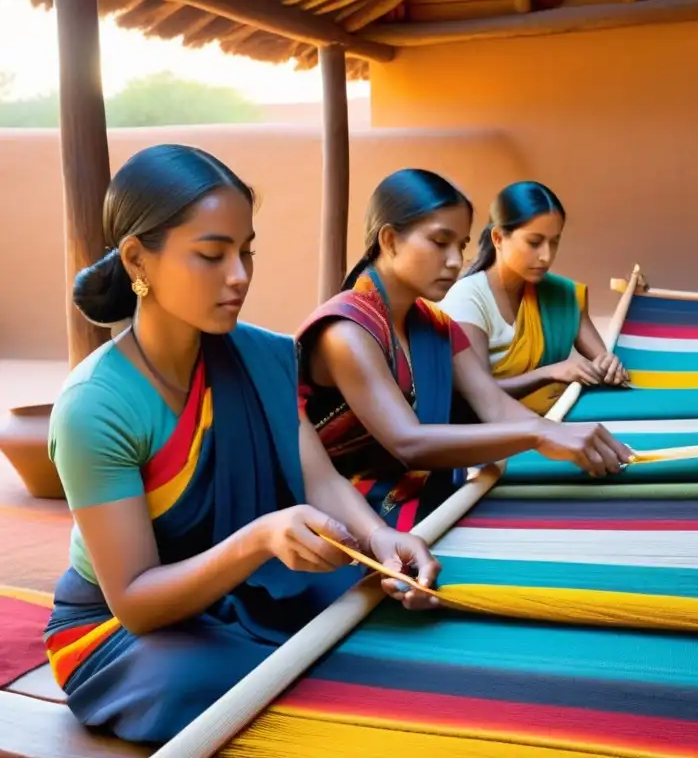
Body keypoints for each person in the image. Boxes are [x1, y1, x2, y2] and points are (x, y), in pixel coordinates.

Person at [43, 145, 439, 745]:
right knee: (234, 688)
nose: (240, 275)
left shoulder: (259, 356)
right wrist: (259, 540)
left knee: (371, 613)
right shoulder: (97, 405)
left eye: (246, 250)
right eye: (211, 254)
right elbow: (135, 602)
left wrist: (380, 539)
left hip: (245, 587)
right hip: (124, 628)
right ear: (136, 259)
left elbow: (319, 477)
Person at [296, 169, 632, 532]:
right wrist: (539, 434)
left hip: (424, 498)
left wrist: (563, 434)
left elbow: (493, 404)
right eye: (440, 242)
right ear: (390, 240)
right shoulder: (346, 331)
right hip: (341, 516)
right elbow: (408, 442)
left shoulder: (436, 325)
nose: (456, 261)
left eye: (461, 244)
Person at [438, 180, 629, 416]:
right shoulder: (468, 299)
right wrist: (549, 373)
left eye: (554, 242)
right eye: (534, 243)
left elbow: (603, 362)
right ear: (498, 238)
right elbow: (476, 393)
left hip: (555, 422)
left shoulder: (563, 295)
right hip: (490, 437)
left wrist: (610, 365)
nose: (546, 256)